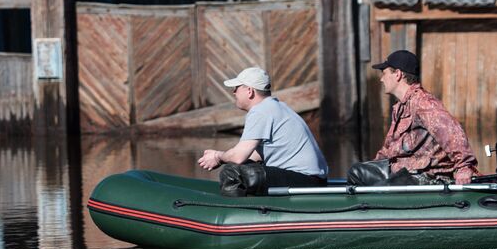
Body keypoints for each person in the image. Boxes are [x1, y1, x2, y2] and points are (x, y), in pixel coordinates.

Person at [350, 50, 477, 185]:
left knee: (383, 189)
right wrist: (374, 166)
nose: (381, 79)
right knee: (357, 172)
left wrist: (464, 167)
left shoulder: (423, 102)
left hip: (426, 175)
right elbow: (388, 149)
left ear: (398, 74)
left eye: (384, 73)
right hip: (400, 171)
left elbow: (452, 132)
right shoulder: (400, 107)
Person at [198, 66, 328, 195]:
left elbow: (238, 157)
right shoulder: (277, 106)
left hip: (305, 181)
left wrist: (218, 157)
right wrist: (223, 157)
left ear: (249, 91)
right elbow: (256, 155)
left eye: (236, 88)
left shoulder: (260, 111)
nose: (233, 92)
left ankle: (239, 211)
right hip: (313, 180)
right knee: (241, 167)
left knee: (232, 172)